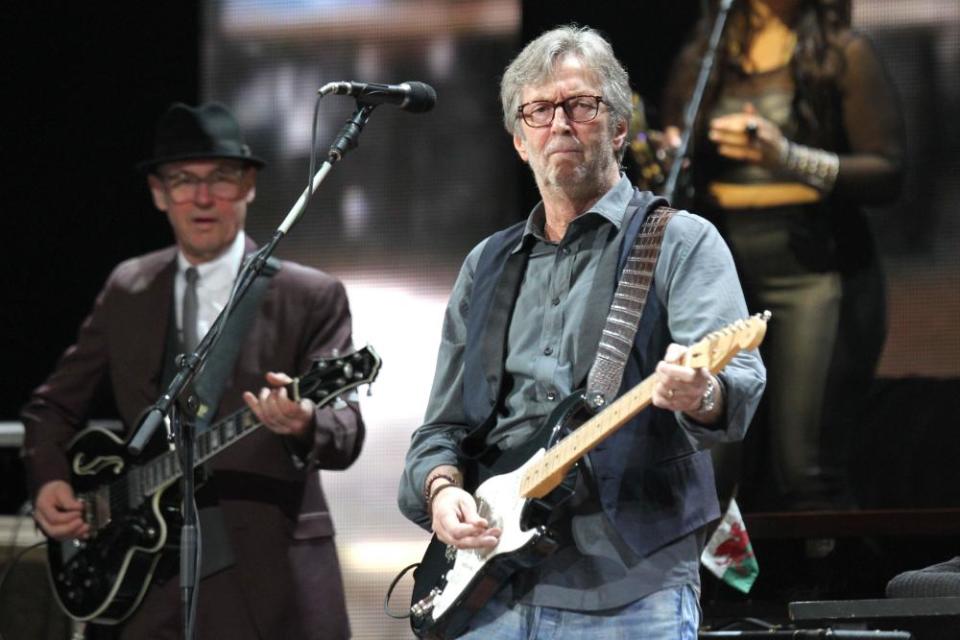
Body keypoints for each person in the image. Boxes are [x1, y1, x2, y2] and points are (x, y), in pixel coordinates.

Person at [398, 25, 766, 638]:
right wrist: (440, 493)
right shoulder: (485, 264)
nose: (559, 124)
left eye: (581, 105)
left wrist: (700, 393)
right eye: (538, 111)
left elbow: (739, 382)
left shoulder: (679, 241)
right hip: (487, 590)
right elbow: (442, 429)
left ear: (618, 127)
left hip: (632, 586)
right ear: (519, 140)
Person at [21, 102, 363, 639]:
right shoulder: (128, 286)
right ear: (159, 193)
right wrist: (49, 482)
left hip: (265, 582)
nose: (202, 198)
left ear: (248, 185)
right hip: (139, 579)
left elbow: (345, 431)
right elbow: (52, 407)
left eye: (221, 179)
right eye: (183, 180)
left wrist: (303, 423)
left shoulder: (310, 296)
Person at [660, 0, 904, 510]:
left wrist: (786, 156)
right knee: (712, 450)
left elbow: (887, 172)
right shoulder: (707, 53)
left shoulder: (845, 52)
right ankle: (720, 588)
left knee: (806, 463)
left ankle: (831, 579)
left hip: (815, 268)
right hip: (725, 267)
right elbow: (675, 147)